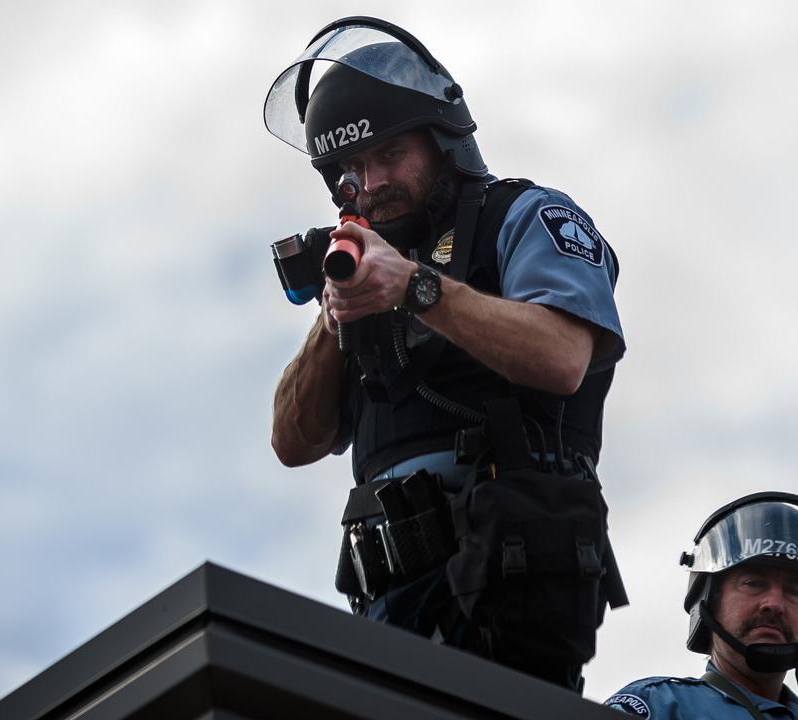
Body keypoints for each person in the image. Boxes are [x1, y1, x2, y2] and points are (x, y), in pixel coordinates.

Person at [264, 16, 627, 691]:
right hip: (381, 619)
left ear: (442, 140)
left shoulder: (525, 217)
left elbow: (562, 356)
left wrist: (416, 287)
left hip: (508, 595)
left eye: (389, 153)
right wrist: (334, 310)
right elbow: (293, 441)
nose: (370, 182)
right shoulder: (366, 266)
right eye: (351, 168)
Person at [605, 492, 798, 719]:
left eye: (794, 592)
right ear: (710, 601)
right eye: (753, 583)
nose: (774, 604)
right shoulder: (660, 706)